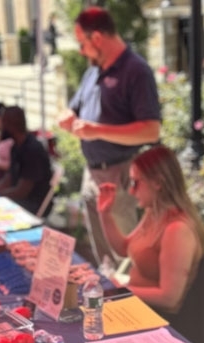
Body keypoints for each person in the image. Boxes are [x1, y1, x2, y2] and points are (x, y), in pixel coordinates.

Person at [57, 7, 161, 268]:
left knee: (125, 256)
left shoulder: (136, 71)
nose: (80, 51)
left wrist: (97, 131)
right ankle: (109, 297)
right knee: (104, 256)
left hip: (121, 172)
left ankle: (129, 304)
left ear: (98, 38)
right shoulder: (92, 71)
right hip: (92, 173)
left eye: (82, 43)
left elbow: (151, 130)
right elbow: (75, 106)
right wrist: (67, 116)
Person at [95, 145, 204, 343]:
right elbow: (125, 248)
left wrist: (122, 288)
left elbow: (169, 298)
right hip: (139, 312)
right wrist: (105, 214)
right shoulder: (153, 213)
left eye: (136, 182)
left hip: (160, 328)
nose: (131, 191)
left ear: (158, 183)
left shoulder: (177, 229)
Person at [0, 105, 53, 217]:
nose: (0, 127)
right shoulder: (16, 146)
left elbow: (22, 192)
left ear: (10, 125)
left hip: (32, 204)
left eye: (3, 123)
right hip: (19, 200)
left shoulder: (32, 150)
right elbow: (8, 178)